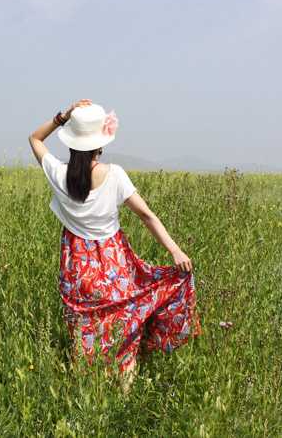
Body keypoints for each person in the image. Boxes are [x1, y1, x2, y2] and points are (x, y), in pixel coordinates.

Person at [28, 98, 202, 393]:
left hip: (77, 268)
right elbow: (147, 216)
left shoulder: (58, 174)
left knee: (84, 327)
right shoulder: (115, 175)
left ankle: (86, 391)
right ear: (100, 143)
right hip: (114, 264)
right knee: (127, 323)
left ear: (72, 142)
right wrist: (175, 250)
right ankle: (123, 394)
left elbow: (34, 138)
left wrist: (64, 115)